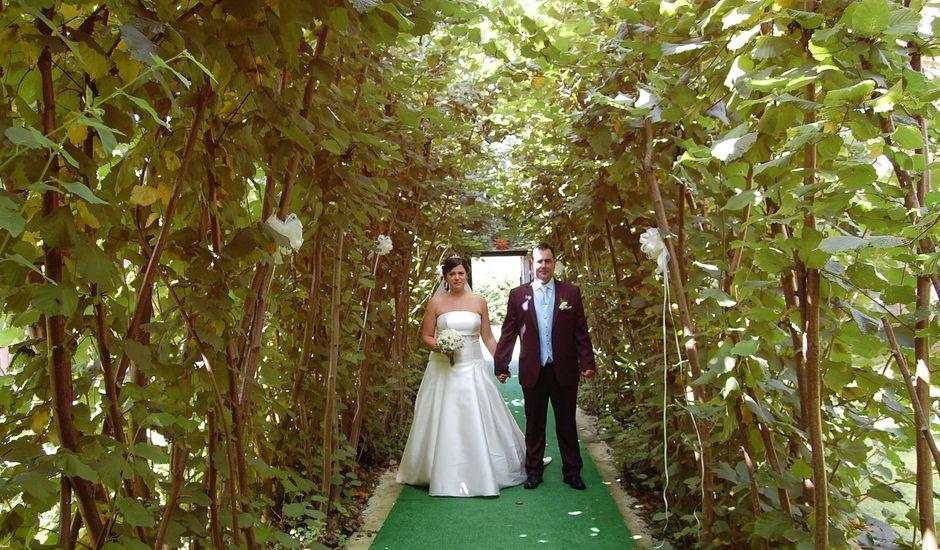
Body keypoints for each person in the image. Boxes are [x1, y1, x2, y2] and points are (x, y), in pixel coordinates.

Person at [396, 255, 528, 496]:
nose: (457, 277)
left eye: (461, 273)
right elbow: (426, 335)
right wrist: (441, 345)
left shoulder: (479, 301)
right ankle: (440, 472)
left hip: (473, 366)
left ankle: (485, 469)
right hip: (444, 368)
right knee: (445, 417)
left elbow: (487, 336)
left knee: (479, 416)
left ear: (466, 275)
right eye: (452, 274)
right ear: (445, 278)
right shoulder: (436, 303)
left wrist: (501, 363)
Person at [494, 243, 596, 490]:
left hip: (564, 369)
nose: (543, 266)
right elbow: (509, 332)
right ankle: (533, 470)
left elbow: (580, 331)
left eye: (548, 261)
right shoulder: (518, 295)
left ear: (554, 263)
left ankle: (572, 471)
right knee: (534, 423)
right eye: (539, 261)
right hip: (533, 370)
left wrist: (587, 362)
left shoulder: (570, 293)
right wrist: (502, 364)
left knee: (566, 423)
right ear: (532, 264)